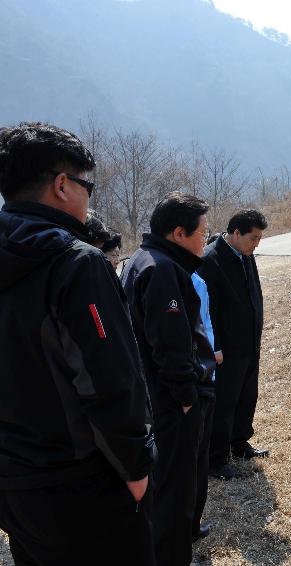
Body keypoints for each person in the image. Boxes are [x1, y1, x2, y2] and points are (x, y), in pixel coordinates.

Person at [0, 122, 155, 564]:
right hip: (81, 483)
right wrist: (137, 468)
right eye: (88, 185)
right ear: (62, 185)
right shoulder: (75, 263)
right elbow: (109, 380)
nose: (90, 199)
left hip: (14, 485)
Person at [122, 192, 215, 565]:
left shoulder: (142, 259)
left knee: (167, 485)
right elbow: (171, 345)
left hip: (153, 393)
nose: (205, 241)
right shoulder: (161, 269)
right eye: (202, 233)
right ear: (179, 233)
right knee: (175, 488)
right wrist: (186, 396)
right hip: (170, 399)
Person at [199, 209, 267, 481]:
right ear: (236, 233)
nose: (257, 243)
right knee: (224, 402)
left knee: (246, 395)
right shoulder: (211, 259)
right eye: (253, 237)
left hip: (248, 341)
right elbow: (208, 309)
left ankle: (240, 443)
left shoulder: (246, 255)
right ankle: (216, 457)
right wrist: (214, 346)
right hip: (225, 348)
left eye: (260, 238)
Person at [190, 270, 217, 542]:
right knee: (190, 462)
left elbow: (205, 323)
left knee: (198, 457)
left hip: (204, 376)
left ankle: (193, 523)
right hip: (192, 385)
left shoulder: (197, 279)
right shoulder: (171, 277)